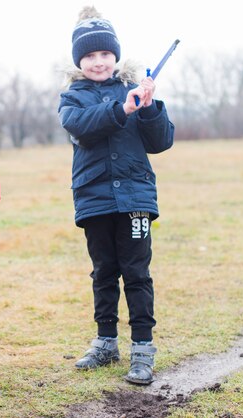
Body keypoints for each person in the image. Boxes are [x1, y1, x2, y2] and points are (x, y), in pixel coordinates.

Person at [58, 6, 174, 385]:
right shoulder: (72, 98)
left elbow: (161, 141)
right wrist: (122, 108)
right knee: (104, 272)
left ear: (115, 55)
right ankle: (106, 341)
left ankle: (143, 349)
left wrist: (151, 106)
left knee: (136, 273)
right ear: (79, 60)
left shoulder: (135, 93)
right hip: (94, 200)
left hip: (136, 201)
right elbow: (82, 127)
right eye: (90, 55)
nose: (98, 61)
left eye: (105, 53)